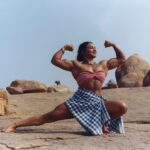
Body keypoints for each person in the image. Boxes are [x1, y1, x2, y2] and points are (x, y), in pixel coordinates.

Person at [2, 40, 128, 135]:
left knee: (122, 107)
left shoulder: (104, 64)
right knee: (48, 117)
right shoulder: (75, 65)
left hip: (97, 101)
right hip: (80, 100)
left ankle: (102, 124)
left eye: (95, 48)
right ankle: (14, 125)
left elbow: (122, 59)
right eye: (91, 48)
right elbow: (55, 60)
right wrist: (64, 48)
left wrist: (113, 45)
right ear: (83, 52)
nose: (94, 50)